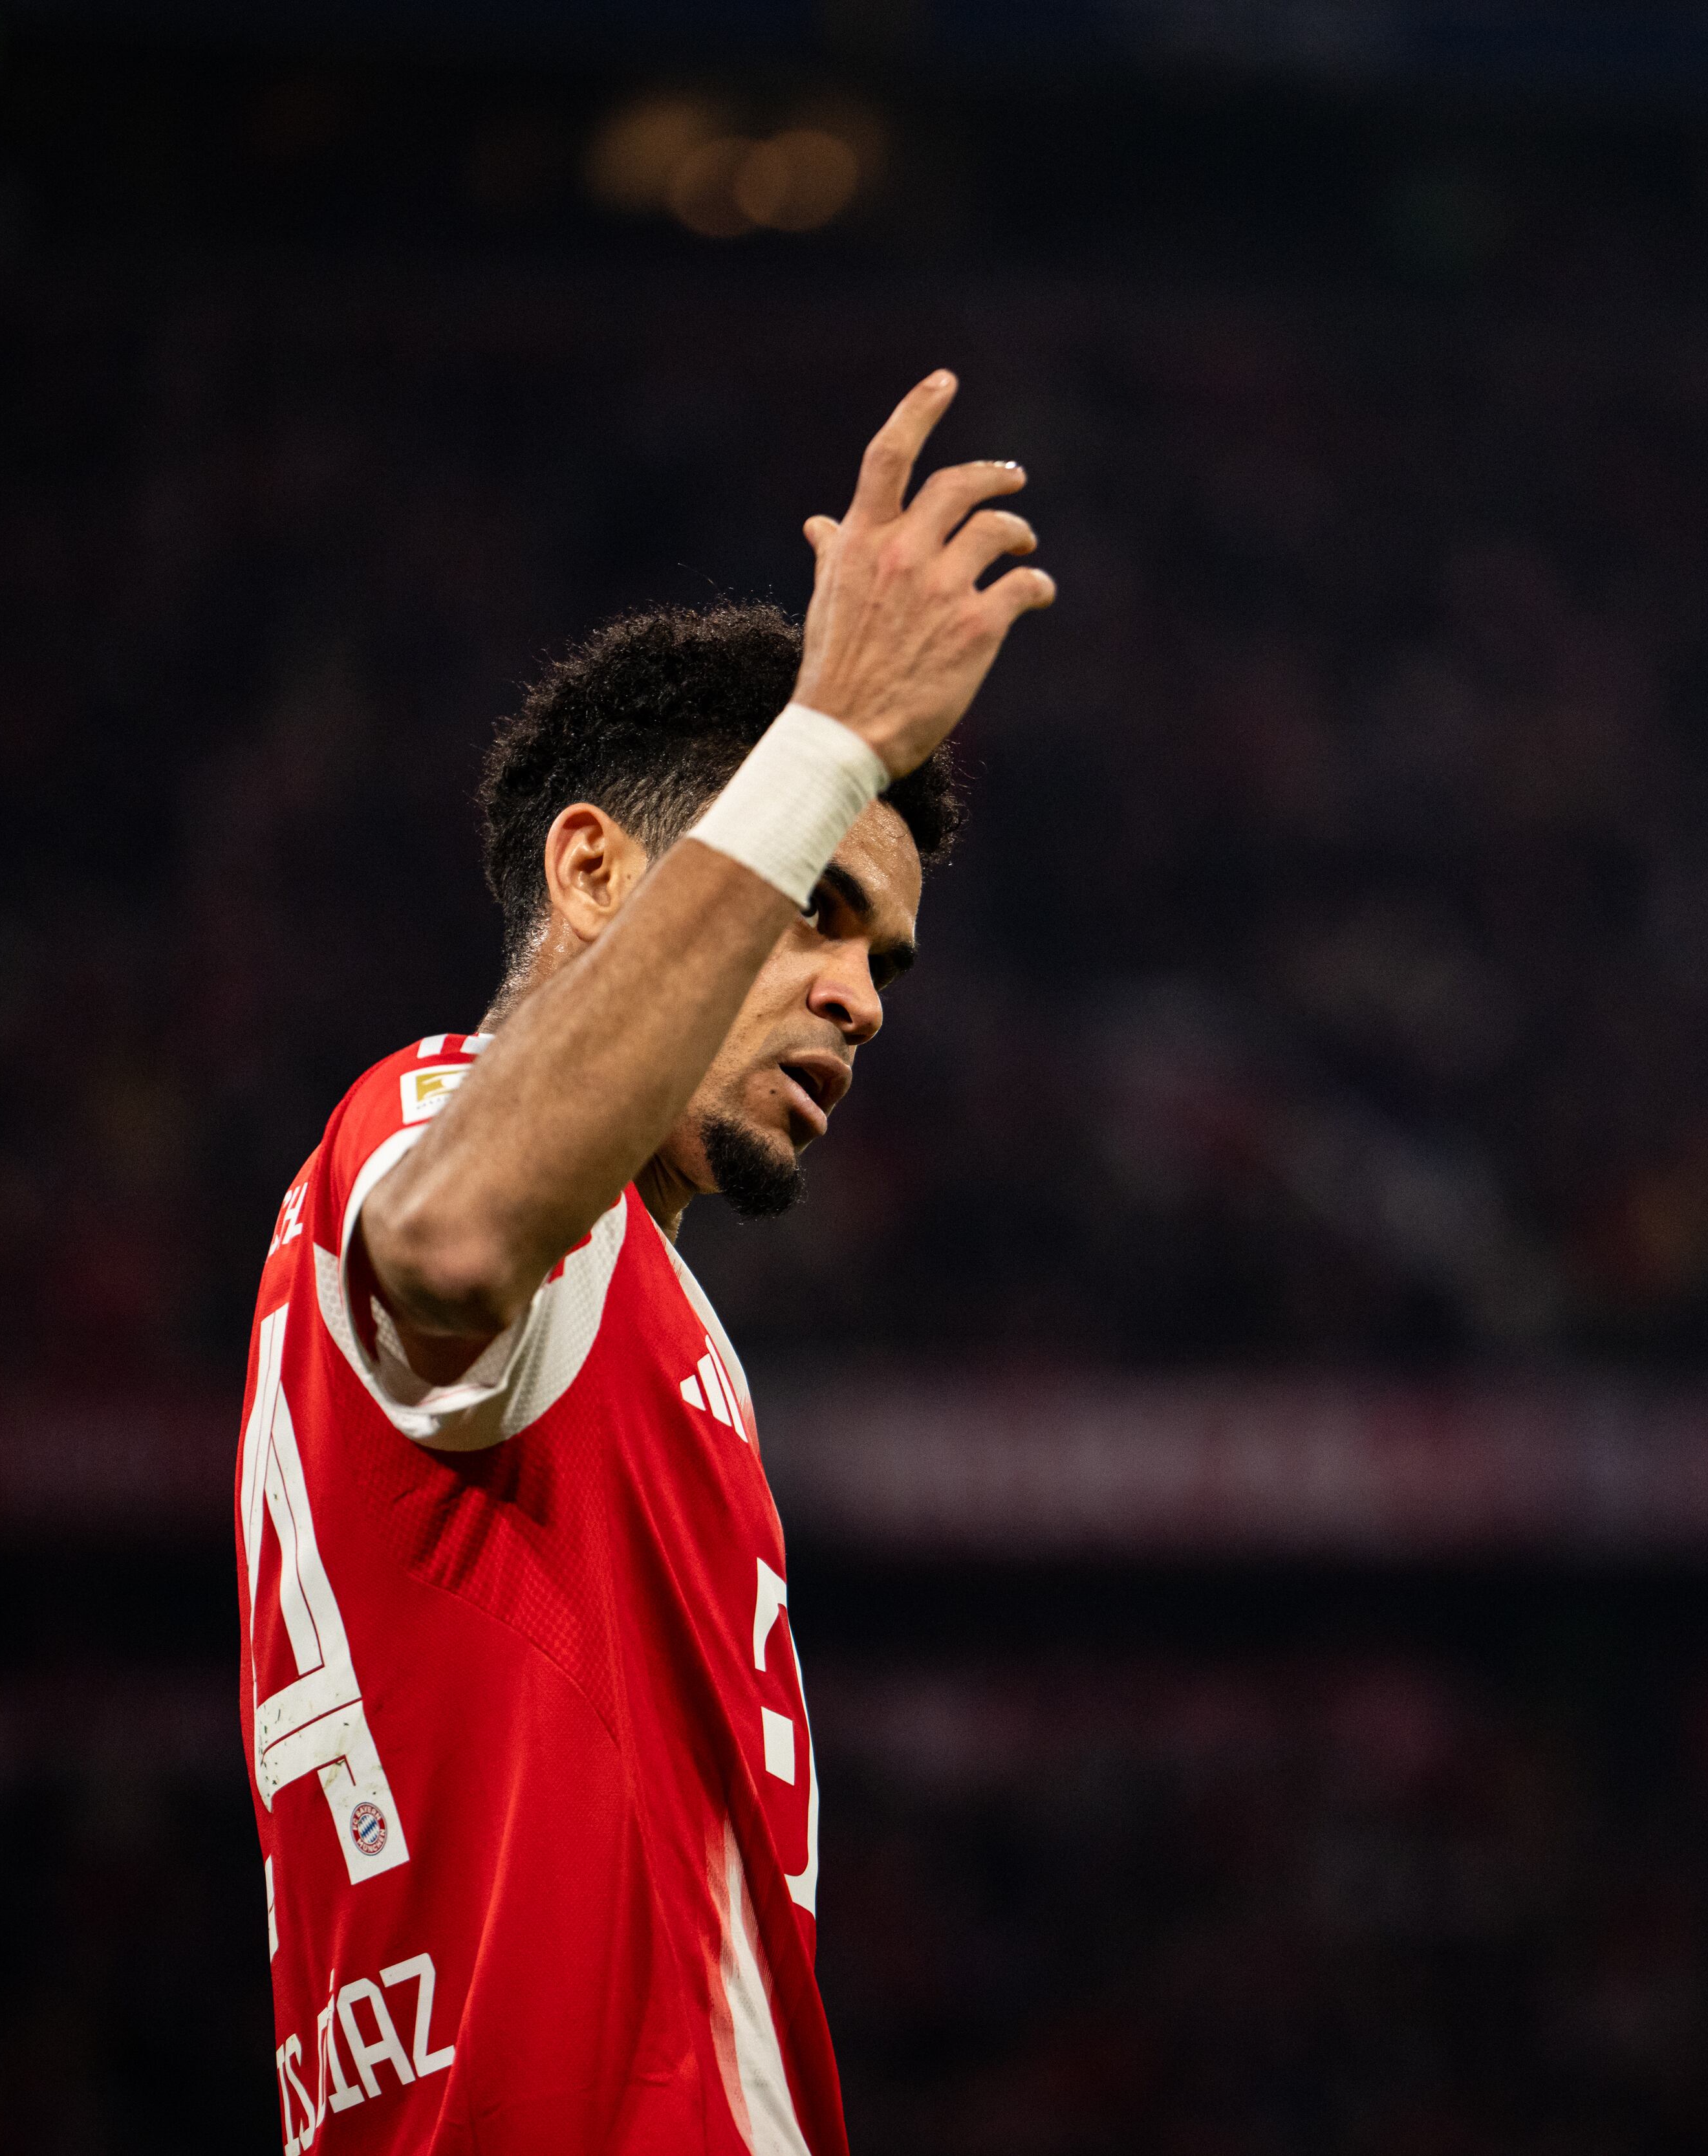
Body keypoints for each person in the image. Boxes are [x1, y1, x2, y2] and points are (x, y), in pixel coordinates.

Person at [233, 371, 1052, 2155]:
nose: (854, 993)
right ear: (596, 869)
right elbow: (452, 1237)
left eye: (886, 966)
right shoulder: (438, 1127)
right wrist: (828, 732)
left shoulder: (642, 1308)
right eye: (820, 906)